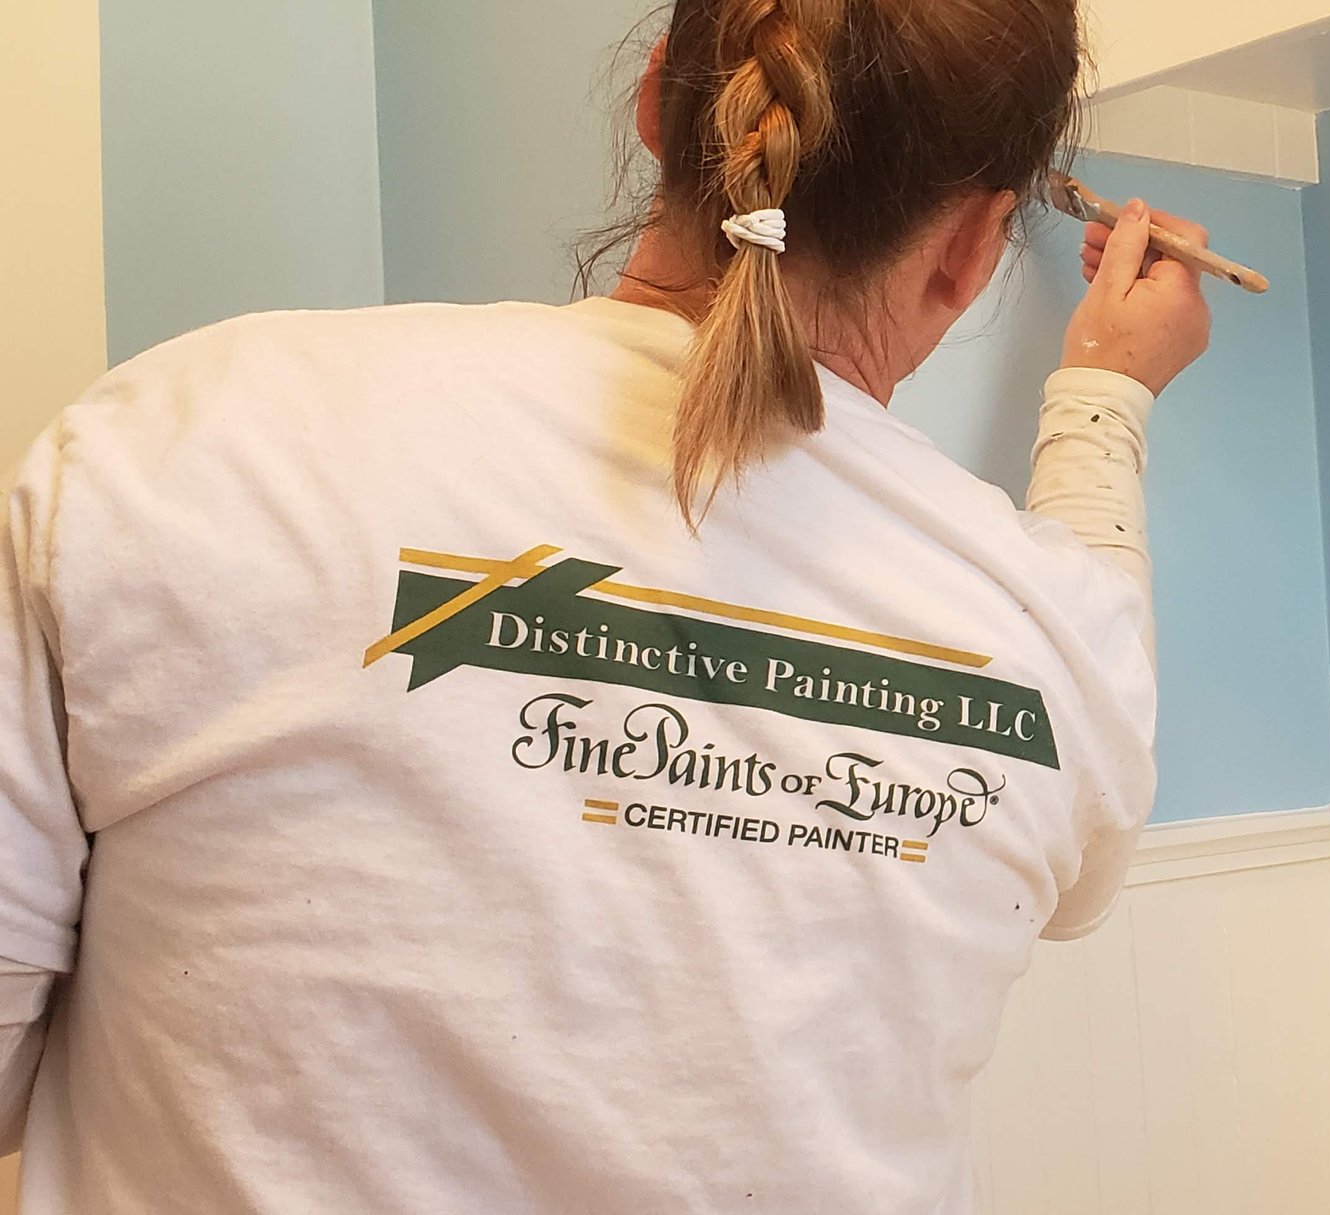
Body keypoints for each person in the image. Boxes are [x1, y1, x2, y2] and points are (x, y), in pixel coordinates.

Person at [0, 0, 1212, 1209]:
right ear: (975, 245)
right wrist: (1104, 395)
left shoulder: (187, 440)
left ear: (652, 103)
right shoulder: (1049, 632)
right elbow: (1085, 865)